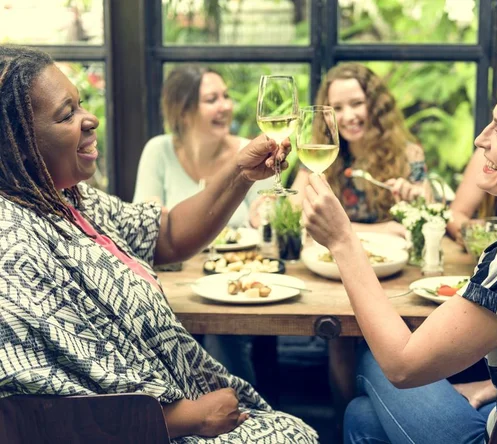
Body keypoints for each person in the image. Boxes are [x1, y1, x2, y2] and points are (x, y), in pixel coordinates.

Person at [0, 45, 317, 443]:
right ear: (15, 141)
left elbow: (163, 234)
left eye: (81, 105)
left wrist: (240, 173)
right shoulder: (11, 245)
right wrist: (189, 419)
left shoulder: (68, 199)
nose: (91, 119)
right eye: (68, 115)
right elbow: (39, 412)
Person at [302, 69, 497, 443]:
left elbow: (401, 366)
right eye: (491, 123)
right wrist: (492, 389)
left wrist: (342, 240)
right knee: (363, 418)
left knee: (370, 357)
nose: (481, 140)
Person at [133, 65, 271, 386]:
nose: (225, 106)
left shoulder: (245, 150)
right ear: (183, 112)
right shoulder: (158, 151)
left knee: (224, 333)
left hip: (236, 276)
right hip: (176, 281)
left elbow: (264, 219)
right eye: (212, 99)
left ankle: (240, 412)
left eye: (226, 96)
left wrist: (268, 213)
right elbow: (145, 218)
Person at [291, 63, 428, 237]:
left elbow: (428, 221)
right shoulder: (319, 153)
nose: (348, 117)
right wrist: (380, 230)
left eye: (357, 104)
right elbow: (294, 216)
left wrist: (415, 199)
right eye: (337, 108)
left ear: (376, 105)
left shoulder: (409, 154)